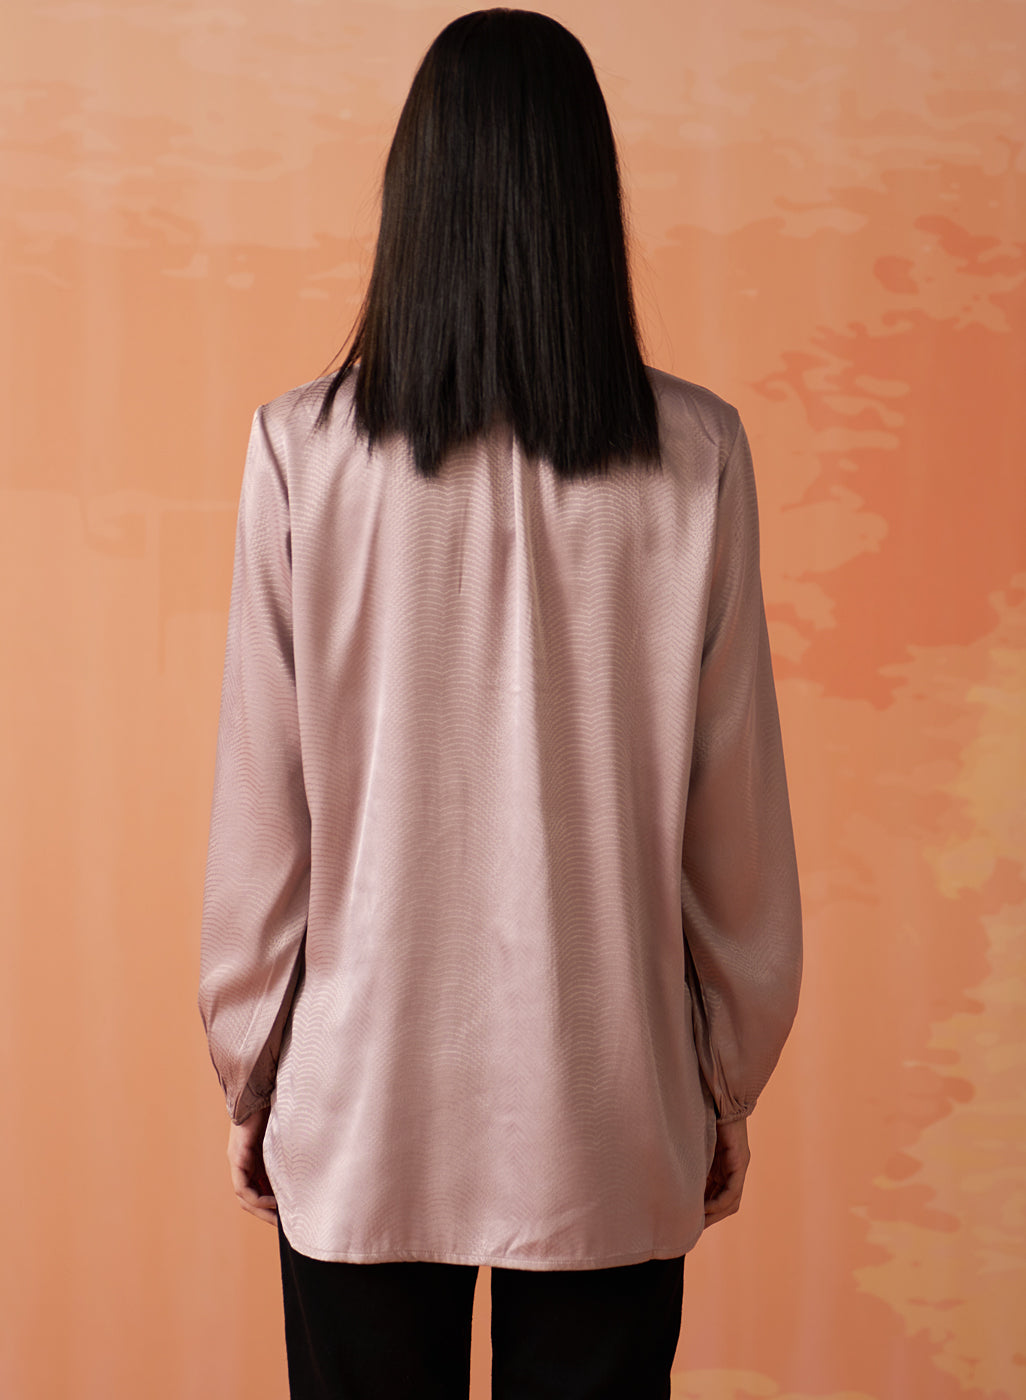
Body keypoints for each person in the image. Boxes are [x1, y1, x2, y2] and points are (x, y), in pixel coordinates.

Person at [197, 9, 803, 1398]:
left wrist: (254, 1071)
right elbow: (736, 825)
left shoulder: (300, 453)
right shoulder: (696, 455)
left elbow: (260, 818)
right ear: (589, 201)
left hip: (361, 1102)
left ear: (412, 198)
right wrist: (720, 1077)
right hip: (608, 1104)